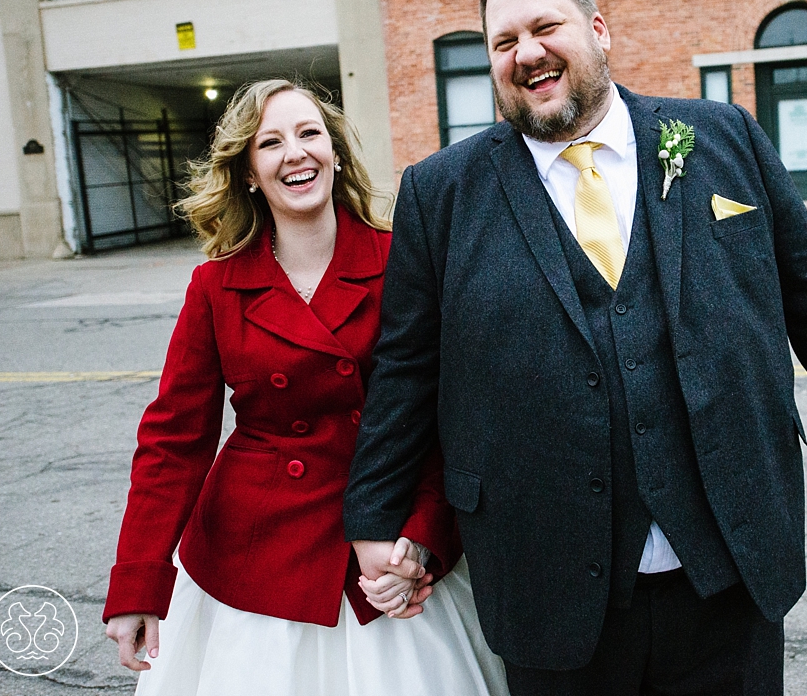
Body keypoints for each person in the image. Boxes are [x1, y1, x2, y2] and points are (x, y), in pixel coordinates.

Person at [344, 0, 807, 694]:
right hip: (545, 572)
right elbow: (406, 367)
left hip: (730, 554)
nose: (527, 53)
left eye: (545, 28)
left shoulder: (722, 136)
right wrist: (374, 515)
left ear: (598, 30)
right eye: (504, 43)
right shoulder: (439, 193)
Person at [102, 79, 507, 695]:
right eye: (271, 142)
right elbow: (172, 442)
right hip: (255, 560)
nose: (295, 152)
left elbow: (446, 420)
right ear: (248, 173)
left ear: (336, 152)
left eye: (309, 132)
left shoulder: (404, 262)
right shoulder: (215, 287)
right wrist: (138, 583)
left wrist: (421, 537)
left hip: (384, 552)